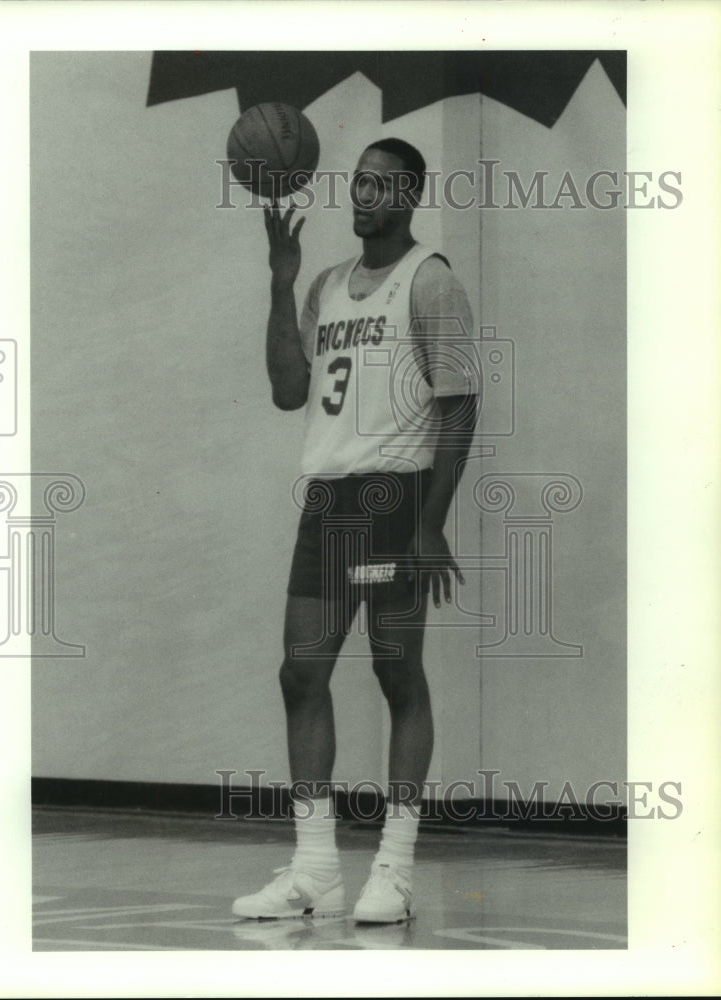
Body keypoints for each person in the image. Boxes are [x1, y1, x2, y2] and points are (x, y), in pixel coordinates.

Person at [232, 138, 478, 924]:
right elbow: (285, 390)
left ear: (408, 195)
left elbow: (460, 405)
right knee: (299, 675)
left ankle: (396, 871)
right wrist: (282, 283)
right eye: (358, 182)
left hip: (394, 504)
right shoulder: (330, 284)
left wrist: (433, 523)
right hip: (329, 506)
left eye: (379, 185)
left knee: (395, 673)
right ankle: (315, 871)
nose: (361, 194)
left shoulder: (430, 281)